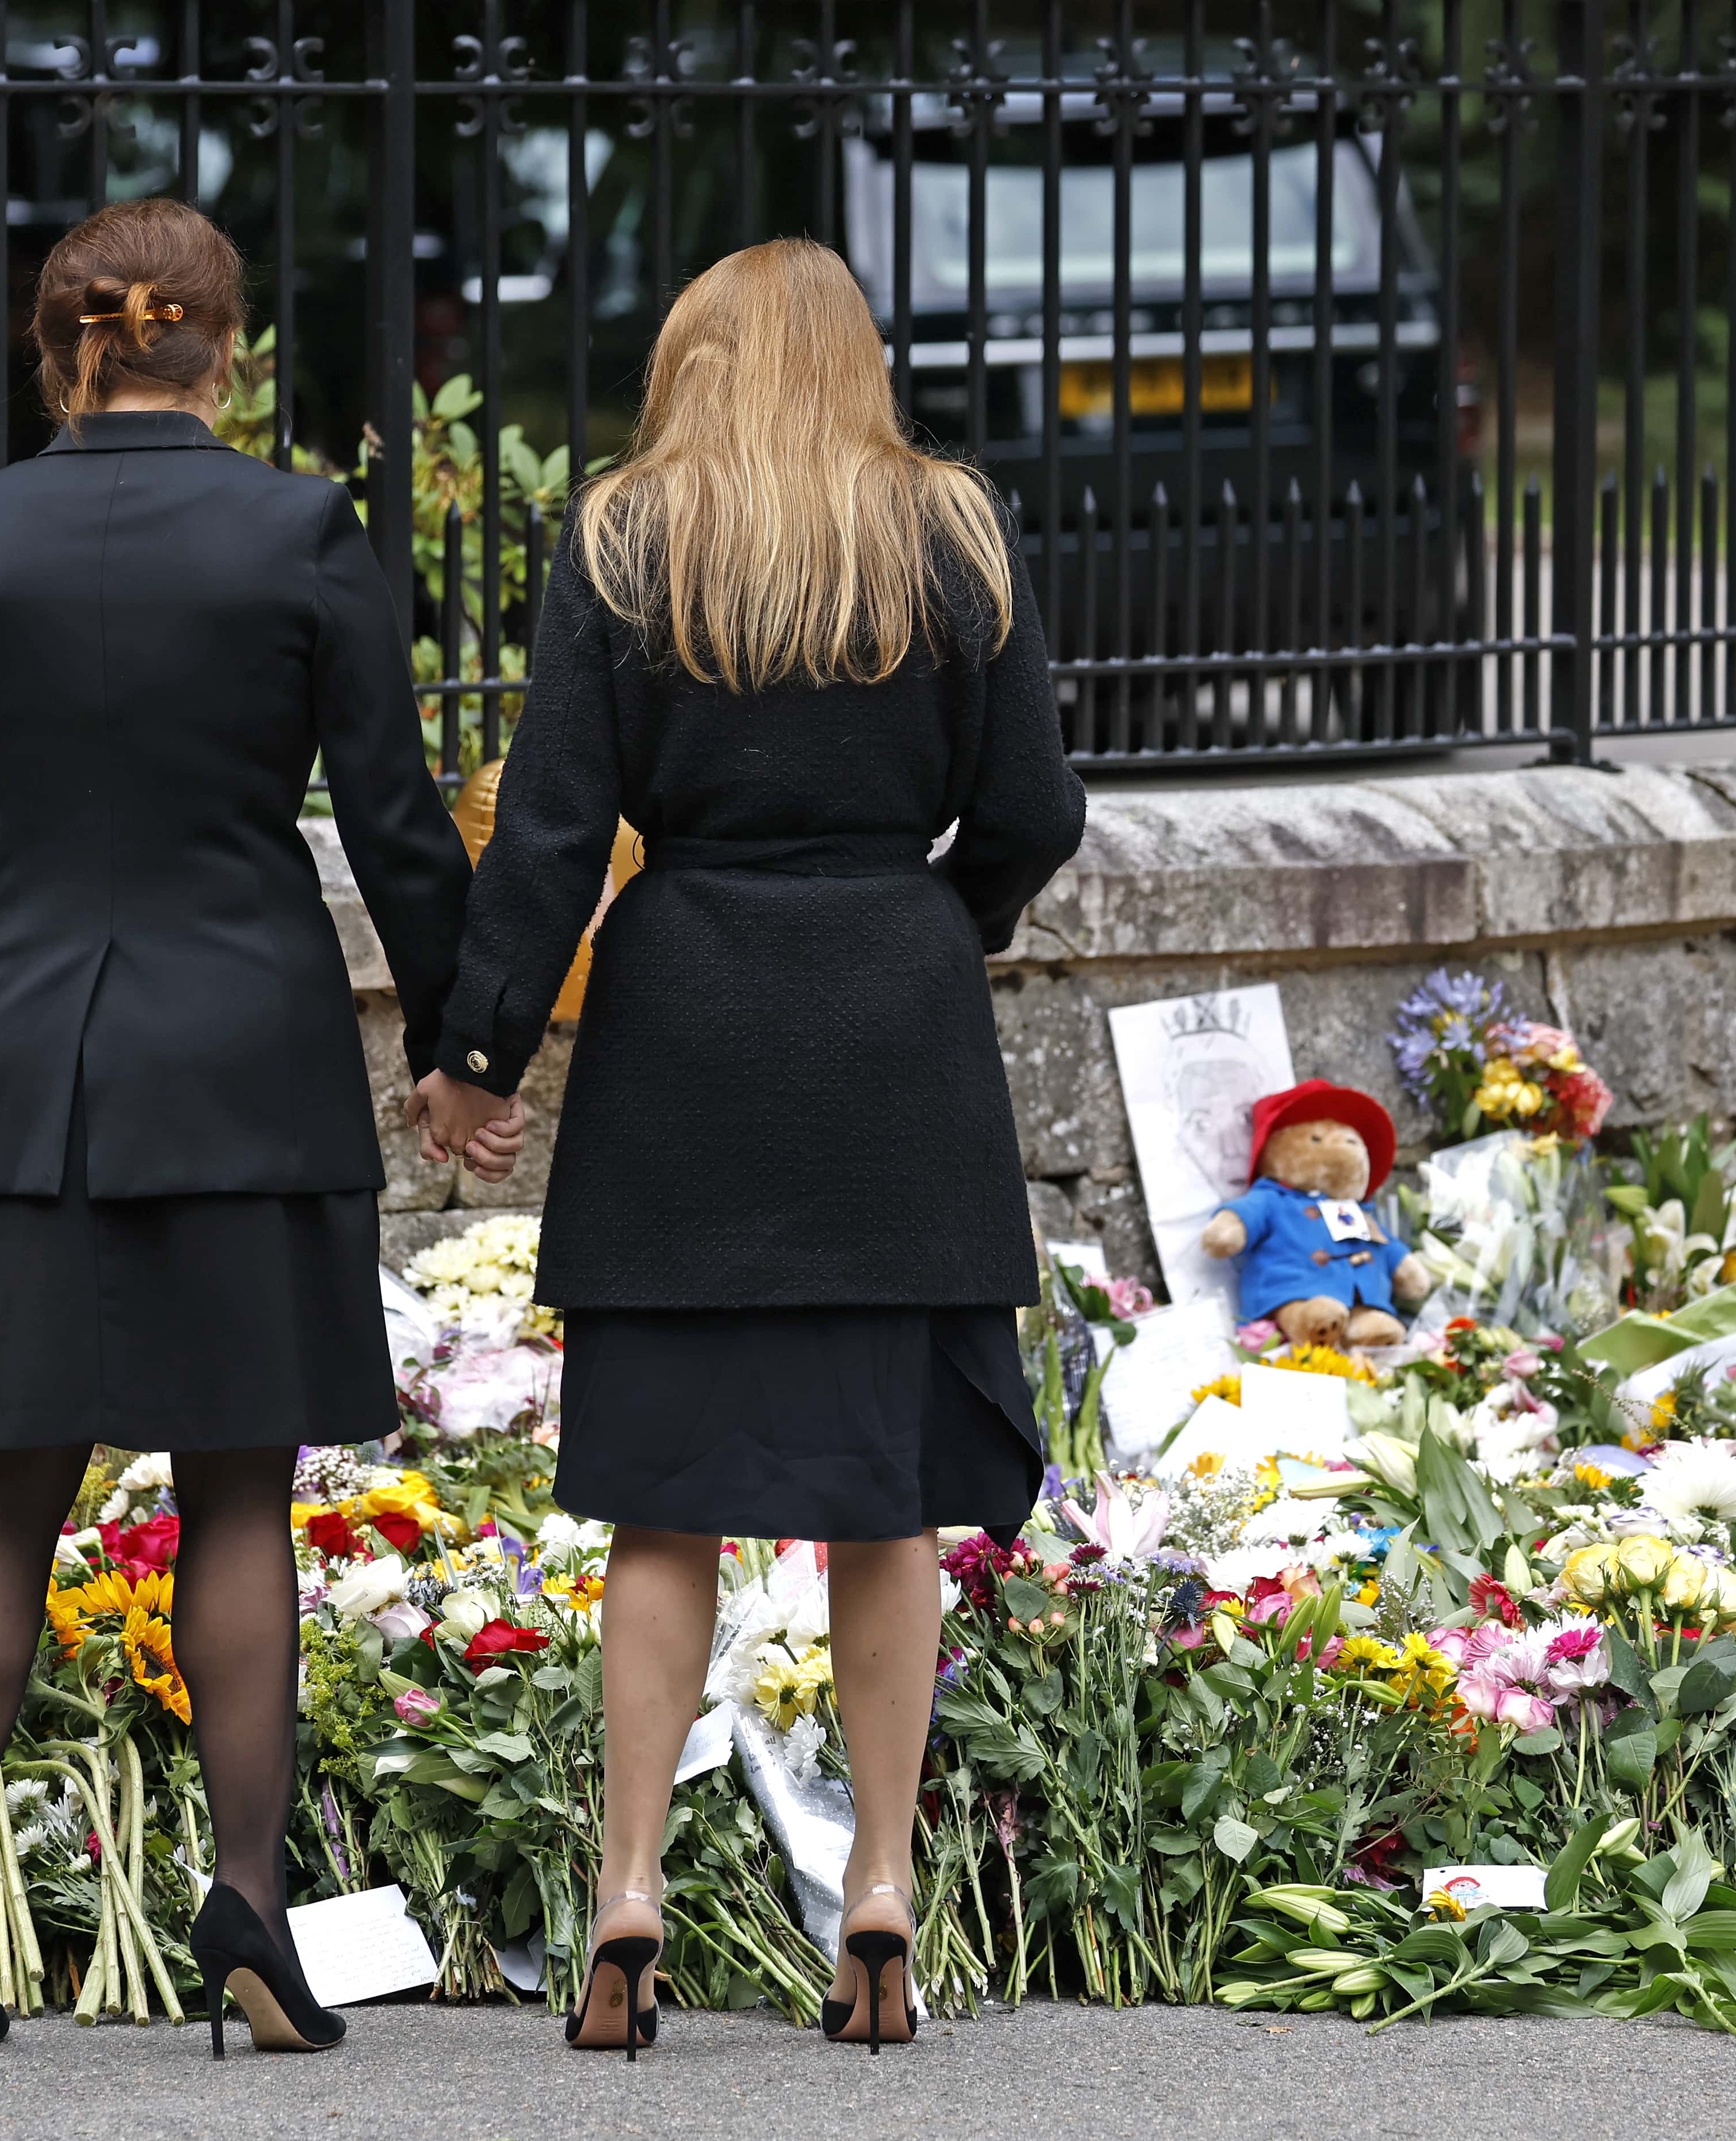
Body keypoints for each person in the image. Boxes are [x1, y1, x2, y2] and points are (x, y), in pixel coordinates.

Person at [0, 195, 520, 2060]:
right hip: (248, 1057)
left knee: (7, 1480)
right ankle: (244, 1906)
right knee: (238, 1486)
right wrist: (474, 1046)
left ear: (62, 346)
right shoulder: (299, 530)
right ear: (223, 348)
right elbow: (393, 820)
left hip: (24, 1054)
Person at [437, 238, 1087, 2055]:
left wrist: (479, 1051)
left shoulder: (627, 539)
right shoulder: (950, 532)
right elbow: (1036, 806)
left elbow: (555, 828)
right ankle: (878, 1883)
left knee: (666, 1506)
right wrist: (933, 923)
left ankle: (629, 1887)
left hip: (687, 1037)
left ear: (693, 362)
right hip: (895, 1028)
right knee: (886, 1509)